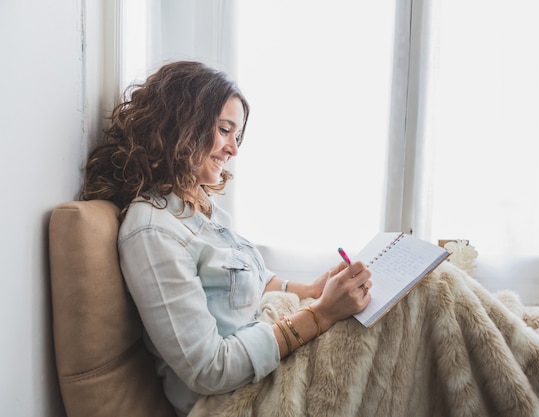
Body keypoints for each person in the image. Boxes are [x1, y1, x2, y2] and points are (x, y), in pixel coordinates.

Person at [81, 60, 373, 416]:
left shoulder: (202, 207)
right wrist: (321, 314)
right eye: (224, 130)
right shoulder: (153, 231)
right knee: (428, 299)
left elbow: (250, 280)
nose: (233, 149)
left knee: (417, 293)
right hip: (241, 398)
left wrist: (310, 290)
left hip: (271, 367)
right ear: (181, 125)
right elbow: (209, 369)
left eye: (237, 136)